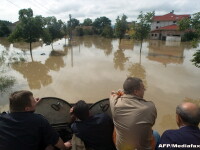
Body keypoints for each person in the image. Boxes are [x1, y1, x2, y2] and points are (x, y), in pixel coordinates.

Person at [0, 90, 70, 150]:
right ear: (27, 109)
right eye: (33, 101)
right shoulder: (38, 120)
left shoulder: (2, 117)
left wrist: (31, 105)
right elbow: (56, 141)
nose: (35, 102)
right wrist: (65, 146)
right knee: (50, 146)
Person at [110, 77, 157, 150]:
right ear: (136, 92)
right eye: (143, 88)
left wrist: (121, 92)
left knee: (116, 127)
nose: (144, 90)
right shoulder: (150, 107)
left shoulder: (115, 104)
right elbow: (151, 123)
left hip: (121, 148)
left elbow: (113, 93)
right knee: (156, 134)